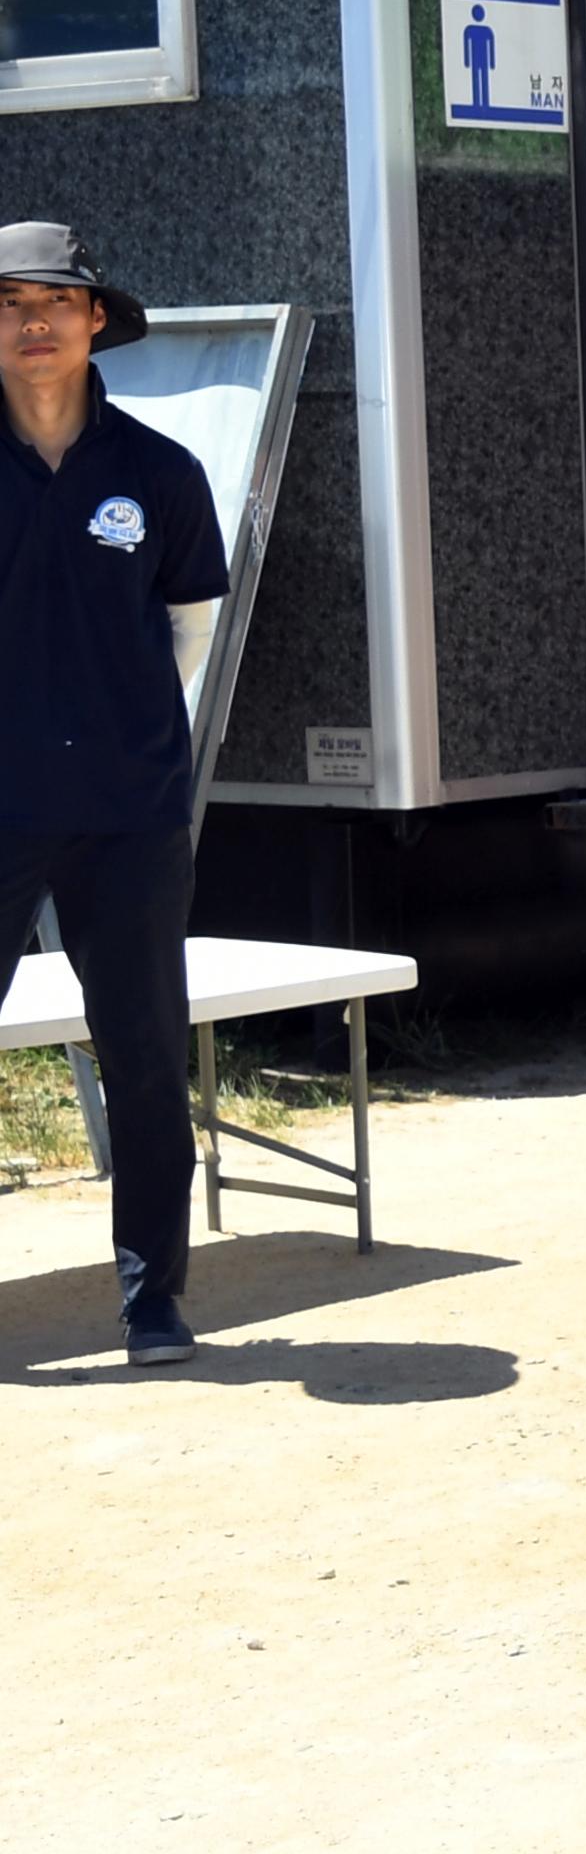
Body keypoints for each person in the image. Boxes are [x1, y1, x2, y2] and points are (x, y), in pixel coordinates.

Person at [0, 220, 224, 1366]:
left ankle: (153, 1301)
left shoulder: (158, 472)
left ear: (96, 321)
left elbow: (187, 630)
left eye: (55, 301)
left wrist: (119, 732)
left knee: (142, 1051)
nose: (33, 322)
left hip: (130, 810)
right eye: (9, 303)